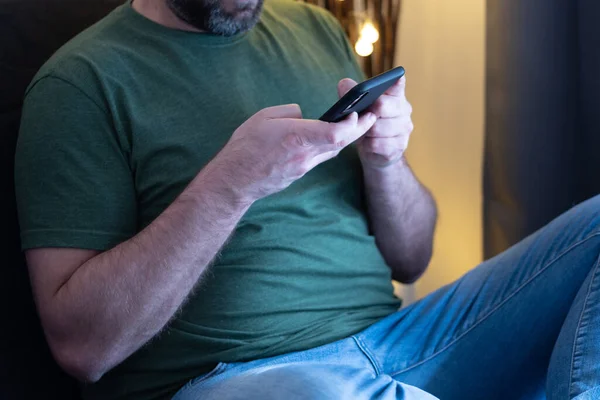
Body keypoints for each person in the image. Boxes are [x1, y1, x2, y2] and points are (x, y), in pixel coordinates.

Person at [13, 0, 599, 398]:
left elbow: (412, 258)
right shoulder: (82, 83)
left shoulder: (315, 28)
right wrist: (232, 182)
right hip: (245, 377)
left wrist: (386, 161)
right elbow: (81, 347)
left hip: (405, 340)